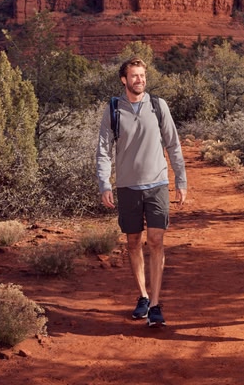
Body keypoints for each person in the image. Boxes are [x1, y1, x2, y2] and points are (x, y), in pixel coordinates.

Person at [95, 57, 187, 328]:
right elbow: (103, 149)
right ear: (124, 80)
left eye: (143, 75)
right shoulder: (113, 108)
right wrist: (105, 183)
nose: (140, 80)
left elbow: (173, 144)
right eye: (134, 76)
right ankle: (143, 296)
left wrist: (180, 180)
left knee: (156, 241)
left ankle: (156, 304)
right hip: (127, 187)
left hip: (157, 184)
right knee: (133, 243)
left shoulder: (158, 106)